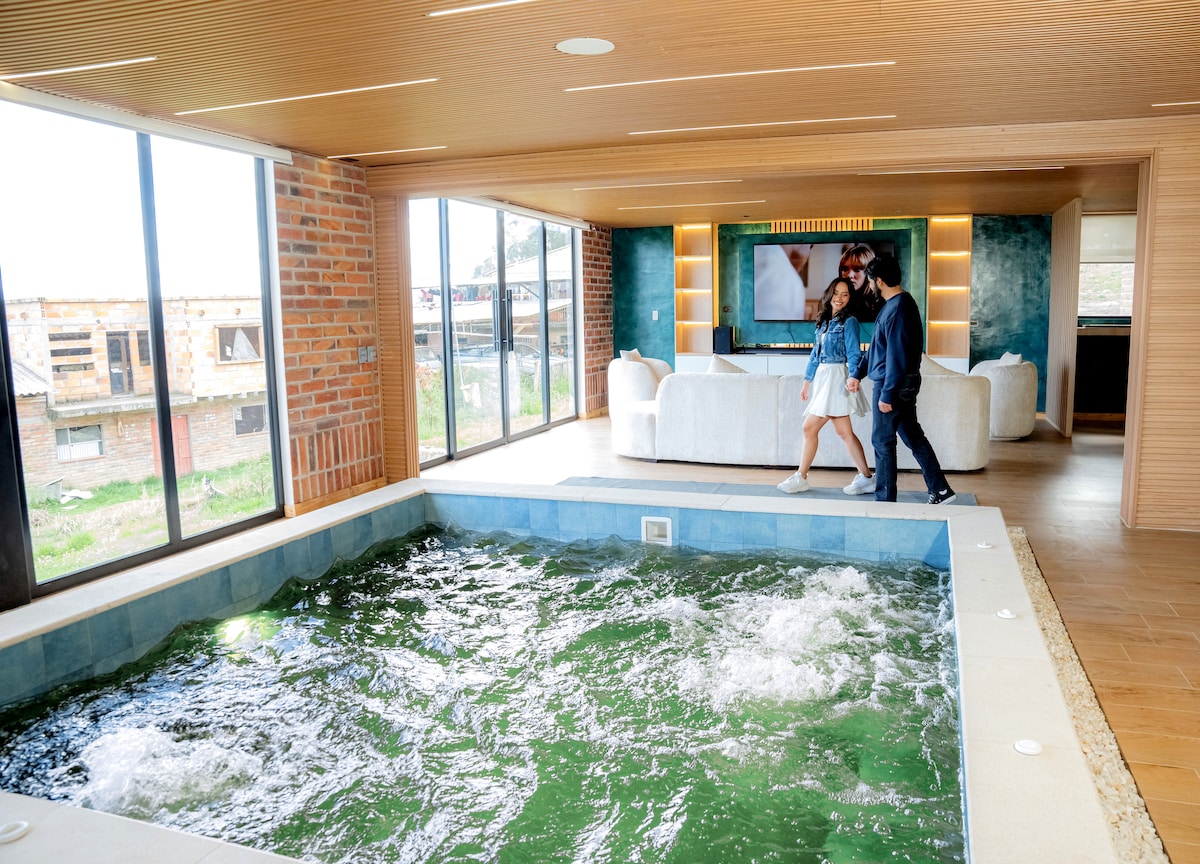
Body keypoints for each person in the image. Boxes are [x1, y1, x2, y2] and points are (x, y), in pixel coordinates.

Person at [864, 254, 956, 504]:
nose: (869, 286)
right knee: (913, 436)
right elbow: (878, 349)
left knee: (882, 441)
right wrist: (857, 373)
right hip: (897, 384)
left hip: (891, 386)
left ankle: (884, 501)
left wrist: (887, 394)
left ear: (878, 281)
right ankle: (940, 489)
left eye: (870, 281)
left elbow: (897, 357)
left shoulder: (898, 309)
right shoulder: (897, 305)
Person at [777, 278, 876, 495]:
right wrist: (807, 381)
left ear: (850, 298)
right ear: (830, 294)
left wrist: (854, 376)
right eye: (836, 293)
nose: (839, 298)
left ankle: (801, 477)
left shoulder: (849, 322)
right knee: (845, 433)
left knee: (809, 428)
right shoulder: (823, 321)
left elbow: (854, 352)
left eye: (845, 294)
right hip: (823, 378)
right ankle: (867, 477)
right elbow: (815, 353)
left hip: (836, 378)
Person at [839, 244, 882, 322]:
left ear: (869, 273)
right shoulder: (834, 302)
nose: (849, 275)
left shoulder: (879, 306)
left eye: (857, 269)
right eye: (845, 269)